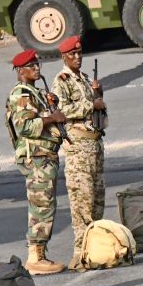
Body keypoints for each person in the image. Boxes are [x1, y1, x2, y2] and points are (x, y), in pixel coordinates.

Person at [6, 49, 66, 275]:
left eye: (37, 64)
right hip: (36, 158)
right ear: (21, 71)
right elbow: (25, 127)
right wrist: (51, 118)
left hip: (45, 156)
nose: (37, 68)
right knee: (41, 206)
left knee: (46, 205)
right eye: (31, 66)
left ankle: (40, 253)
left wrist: (51, 105)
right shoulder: (21, 95)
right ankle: (35, 257)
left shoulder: (34, 93)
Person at [52, 36, 106, 269]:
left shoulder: (85, 79)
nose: (77, 58)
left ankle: (96, 248)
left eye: (79, 53)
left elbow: (98, 108)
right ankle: (79, 252)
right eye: (72, 54)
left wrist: (98, 95)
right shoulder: (61, 81)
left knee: (97, 199)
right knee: (81, 200)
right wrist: (90, 105)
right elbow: (61, 110)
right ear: (64, 57)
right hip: (78, 148)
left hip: (94, 144)